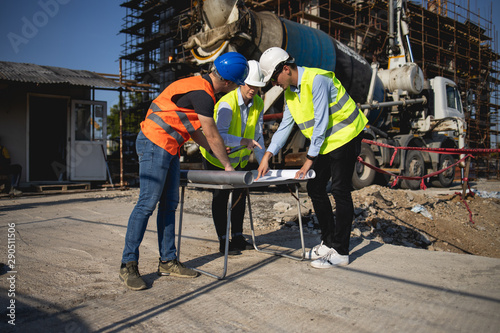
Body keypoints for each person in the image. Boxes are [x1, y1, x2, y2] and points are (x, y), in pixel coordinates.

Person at [120, 52, 249, 290]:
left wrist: (216, 149)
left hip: (170, 145)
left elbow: (197, 132)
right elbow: (210, 131)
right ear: (230, 83)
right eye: (237, 86)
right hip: (154, 142)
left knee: (169, 204)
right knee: (147, 203)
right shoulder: (203, 94)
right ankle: (128, 264)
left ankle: (168, 261)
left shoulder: (199, 88)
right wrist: (228, 167)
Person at [256, 47, 367, 268]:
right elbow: (285, 127)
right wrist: (268, 154)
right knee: (315, 187)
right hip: (328, 141)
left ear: (285, 69)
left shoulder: (317, 80)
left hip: (346, 136)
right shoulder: (290, 92)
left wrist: (309, 159)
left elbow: (322, 122)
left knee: (340, 191)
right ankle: (328, 242)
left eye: (274, 78)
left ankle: (341, 252)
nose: (274, 84)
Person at [200, 60, 266, 255]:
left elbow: (259, 134)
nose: (253, 89)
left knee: (239, 195)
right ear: (240, 82)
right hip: (216, 158)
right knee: (220, 197)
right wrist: (242, 141)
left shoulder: (259, 103)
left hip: (240, 160)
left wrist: (263, 160)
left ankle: (237, 237)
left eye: (257, 86)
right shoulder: (227, 104)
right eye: (249, 84)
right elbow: (218, 136)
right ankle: (223, 240)